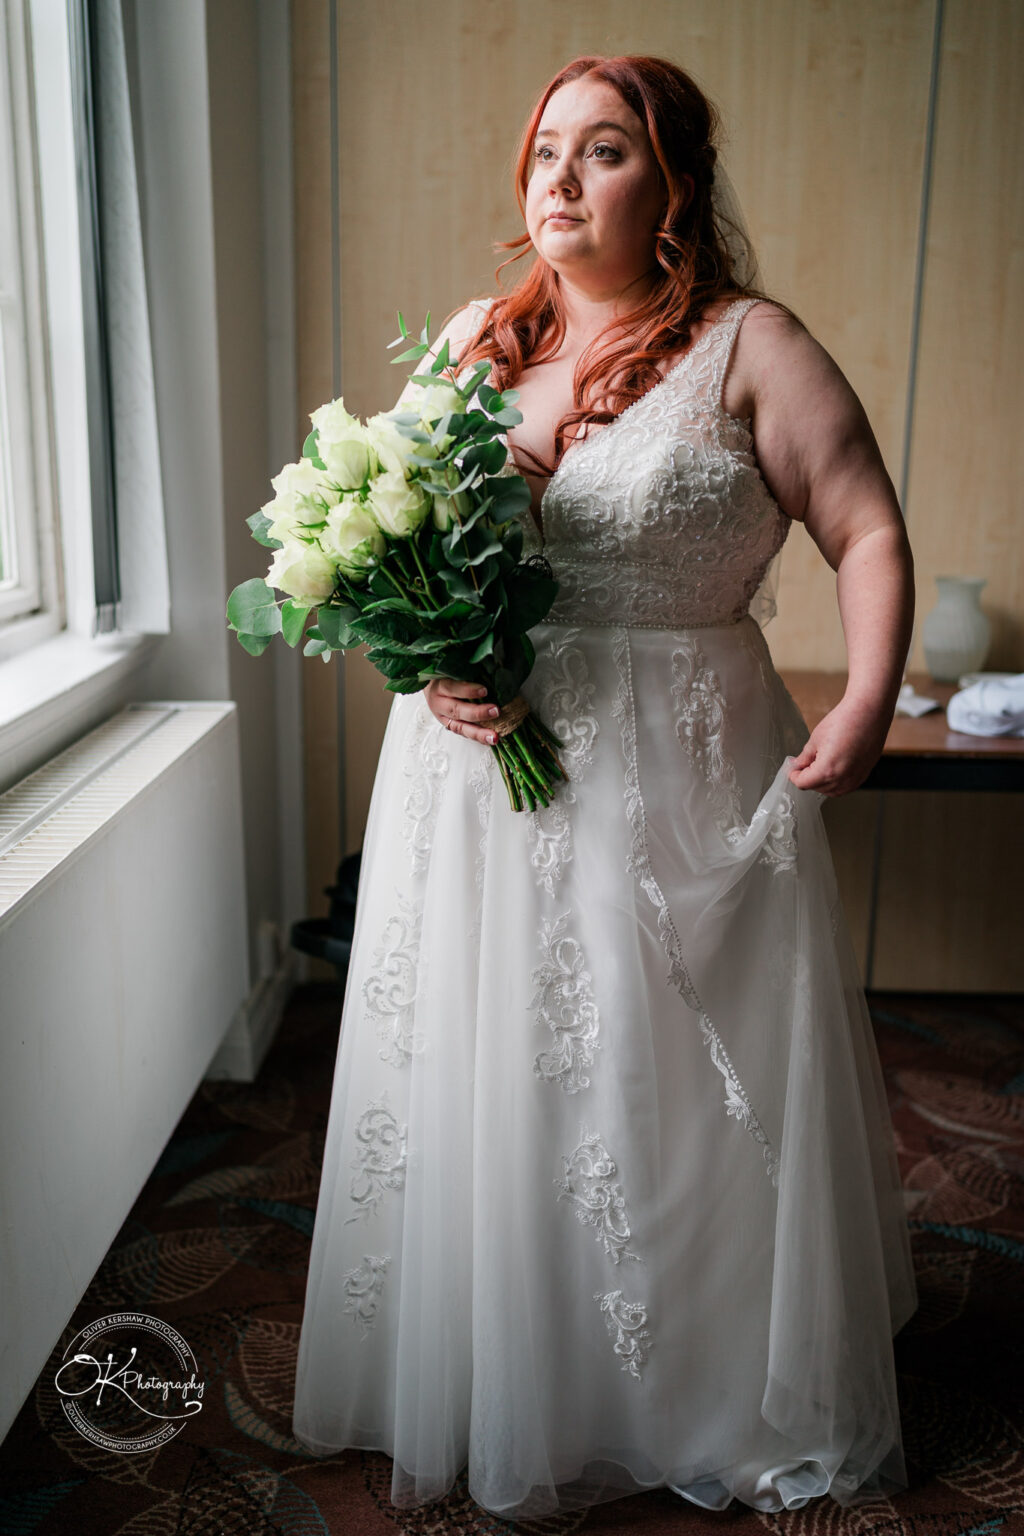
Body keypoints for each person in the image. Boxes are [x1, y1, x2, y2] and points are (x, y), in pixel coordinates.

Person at [291, 53, 918, 1519]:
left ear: (675, 183)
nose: (560, 181)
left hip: (681, 757)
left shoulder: (752, 345)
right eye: (545, 153)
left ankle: (688, 1378)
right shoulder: (473, 341)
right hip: (485, 773)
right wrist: (424, 664)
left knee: (659, 1071)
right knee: (498, 1062)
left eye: (606, 150)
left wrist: (876, 693)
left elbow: (868, 528)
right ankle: (511, 1361)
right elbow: (393, 551)